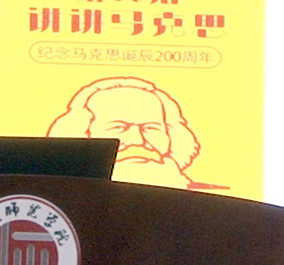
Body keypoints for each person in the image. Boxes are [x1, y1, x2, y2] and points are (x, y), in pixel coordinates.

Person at [45, 76, 222, 189]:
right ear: (82, 134)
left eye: (150, 128)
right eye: (119, 128)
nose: (137, 140)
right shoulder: (54, 195)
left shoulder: (218, 203)